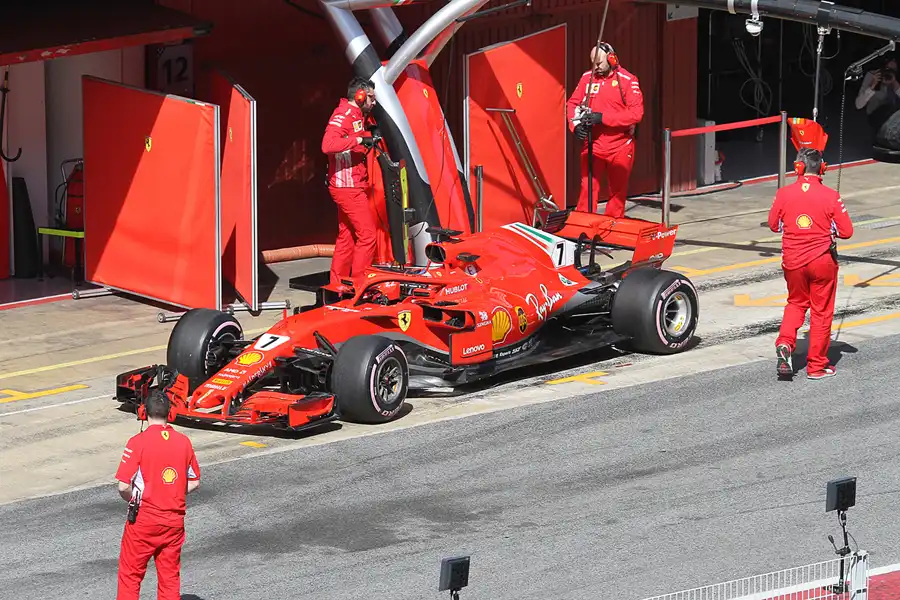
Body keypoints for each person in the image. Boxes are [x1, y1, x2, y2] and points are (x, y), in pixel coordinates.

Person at [767, 148, 854, 380]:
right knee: (821, 313)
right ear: (822, 168)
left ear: (798, 167)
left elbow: (773, 225)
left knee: (795, 303)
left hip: (793, 261)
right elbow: (847, 232)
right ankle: (816, 367)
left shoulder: (784, 193)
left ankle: (785, 343)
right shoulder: (831, 196)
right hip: (822, 261)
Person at [115, 389, 201, 600]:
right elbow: (195, 481)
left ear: (143, 412)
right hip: (174, 521)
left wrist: (136, 500)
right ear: (170, 414)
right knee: (170, 577)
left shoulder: (137, 442)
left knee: (130, 576)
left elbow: (123, 486)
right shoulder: (184, 442)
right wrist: (170, 492)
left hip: (145, 520)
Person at [565, 41, 644, 218]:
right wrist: (574, 126)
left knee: (617, 191)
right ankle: (584, 226)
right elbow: (572, 104)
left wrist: (603, 118)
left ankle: (612, 227)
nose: (596, 68)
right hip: (593, 144)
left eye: (599, 63)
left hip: (621, 146)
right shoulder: (587, 78)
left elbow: (636, 114)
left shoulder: (628, 81)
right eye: (592, 63)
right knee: (588, 187)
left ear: (612, 58)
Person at [322, 76, 380, 290]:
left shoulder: (357, 114)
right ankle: (359, 285)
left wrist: (367, 135)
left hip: (349, 184)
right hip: (347, 187)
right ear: (360, 96)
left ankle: (337, 285)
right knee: (367, 236)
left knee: (346, 236)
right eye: (371, 98)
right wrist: (358, 140)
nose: (374, 103)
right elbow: (327, 145)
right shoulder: (344, 114)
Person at [854, 54, 900, 140]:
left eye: (893, 70)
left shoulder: (896, 79)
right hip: (876, 119)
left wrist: (894, 83)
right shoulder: (873, 75)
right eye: (887, 69)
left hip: (895, 123)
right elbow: (858, 105)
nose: (889, 73)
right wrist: (872, 85)